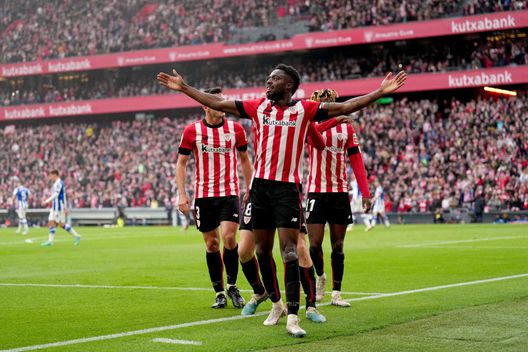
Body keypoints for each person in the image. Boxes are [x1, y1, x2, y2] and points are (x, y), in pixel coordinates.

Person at [157, 64, 406, 337]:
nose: (268, 81)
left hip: (287, 191)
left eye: (274, 78)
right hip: (260, 189)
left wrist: (379, 92)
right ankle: (275, 303)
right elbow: (217, 101)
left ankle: (294, 316)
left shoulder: (305, 110)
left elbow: (347, 107)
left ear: (289, 85)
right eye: (269, 77)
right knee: (261, 252)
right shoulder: (258, 107)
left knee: (289, 251)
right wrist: (184, 88)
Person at [176, 87, 253, 309]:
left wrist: (251, 187)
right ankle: (218, 292)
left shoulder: (236, 129)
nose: (222, 106)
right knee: (212, 244)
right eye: (217, 102)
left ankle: (232, 285)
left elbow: (245, 160)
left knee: (229, 238)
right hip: (204, 196)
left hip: (229, 193)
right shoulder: (192, 131)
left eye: (223, 101)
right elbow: (181, 163)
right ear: (205, 105)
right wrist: (182, 194)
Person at [305, 88, 371, 307]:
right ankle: (320, 275)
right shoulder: (312, 124)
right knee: (314, 245)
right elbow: (312, 139)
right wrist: (334, 120)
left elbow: (356, 160)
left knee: (338, 245)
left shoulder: (346, 128)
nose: (327, 103)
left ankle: (336, 293)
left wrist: (365, 192)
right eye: (323, 101)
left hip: (339, 192)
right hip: (316, 190)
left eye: (330, 100)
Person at [41, 170, 81, 246]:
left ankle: (77, 236)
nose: (50, 177)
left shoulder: (59, 183)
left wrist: (46, 201)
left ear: (55, 175)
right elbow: (63, 196)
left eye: (51, 175)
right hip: (54, 207)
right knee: (51, 222)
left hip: (58, 207)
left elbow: (56, 194)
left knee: (60, 224)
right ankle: (50, 241)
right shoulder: (56, 183)